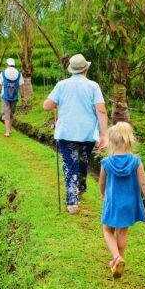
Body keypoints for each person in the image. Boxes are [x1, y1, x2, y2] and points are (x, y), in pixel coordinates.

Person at [43, 53, 108, 215]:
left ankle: (73, 201)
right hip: (87, 133)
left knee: (70, 164)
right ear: (86, 69)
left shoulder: (61, 85)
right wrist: (103, 135)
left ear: (71, 70)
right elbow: (101, 111)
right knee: (82, 160)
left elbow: (47, 106)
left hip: (66, 132)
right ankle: (79, 188)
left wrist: (56, 102)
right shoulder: (93, 86)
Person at [99, 121, 145, 278]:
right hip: (130, 203)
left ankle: (116, 258)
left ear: (110, 142)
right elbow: (143, 182)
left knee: (107, 230)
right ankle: (118, 262)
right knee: (123, 230)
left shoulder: (106, 162)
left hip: (113, 202)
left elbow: (101, 182)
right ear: (129, 141)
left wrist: (103, 195)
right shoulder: (135, 161)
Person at [0, 58, 23, 137]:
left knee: (6, 113)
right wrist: (23, 97)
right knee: (11, 113)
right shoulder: (19, 74)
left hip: (5, 96)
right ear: (14, 65)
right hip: (15, 96)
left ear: (7, 64)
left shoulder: (3, 73)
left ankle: (7, 132)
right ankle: (9, 129)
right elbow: (21, 86)